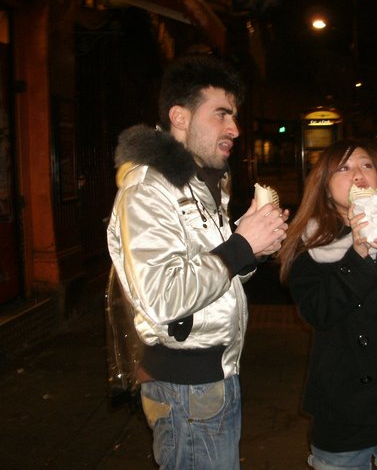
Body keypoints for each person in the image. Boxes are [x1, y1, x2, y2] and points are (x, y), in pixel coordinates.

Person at [106, 54, 288, 470]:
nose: (234, 129)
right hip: (185, 388)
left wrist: (252, 248)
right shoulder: (149, 189)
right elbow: (165, 296)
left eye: (234, 116)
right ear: (180, 117)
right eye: (221, 114)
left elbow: (211, 274)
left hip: (214, 376)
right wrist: (241, 245)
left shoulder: (201, 184)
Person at [277, 139, 377, 470]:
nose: (358, 175)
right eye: (344, 168)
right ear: (324, 186)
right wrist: (358, 254)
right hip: (344, 405)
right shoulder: (308, 239)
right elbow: (317, 313)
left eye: (367, 165)